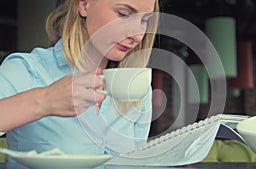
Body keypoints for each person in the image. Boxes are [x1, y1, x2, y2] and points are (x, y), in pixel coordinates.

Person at [0, 0, 159, 157]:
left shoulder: (137, 87)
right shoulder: (26, 70)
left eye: (145, 20)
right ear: (84, 4)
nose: (137, 35)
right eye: (124, 15)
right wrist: (43, 101)